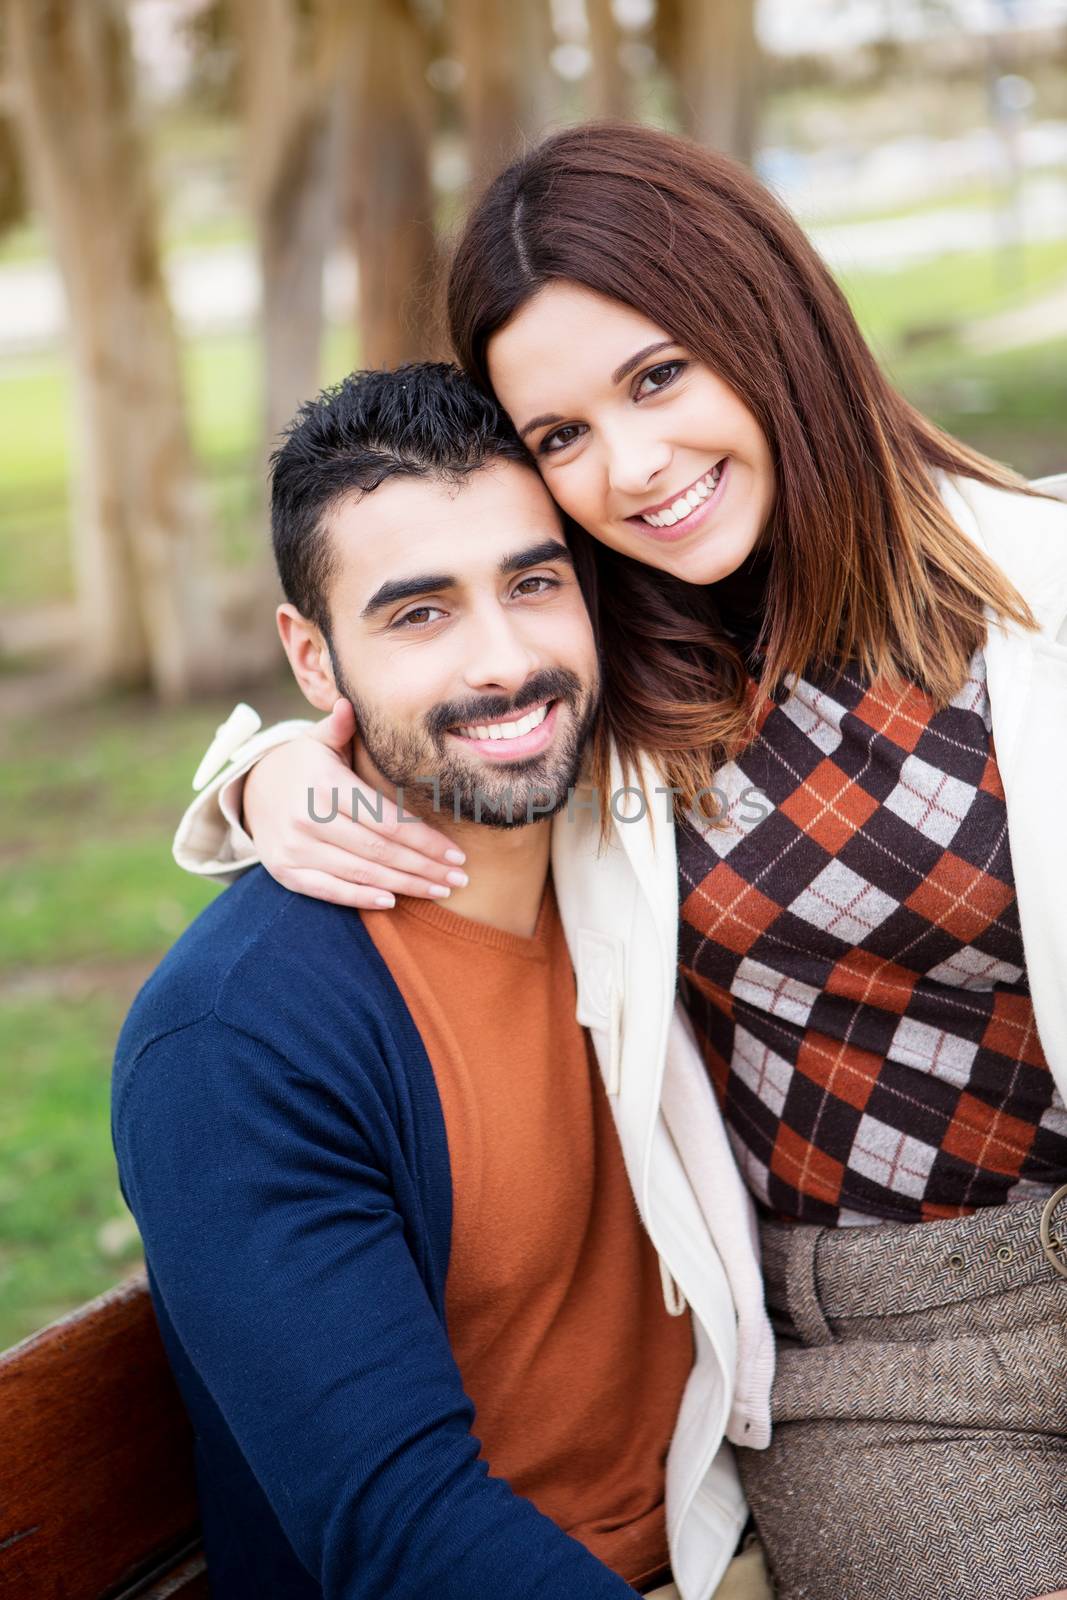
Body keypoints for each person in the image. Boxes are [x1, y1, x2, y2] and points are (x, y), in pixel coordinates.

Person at [174, 123, 1067, 1600]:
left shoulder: (1036, 589)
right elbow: (435, 685)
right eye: (560, 438)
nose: (634, 468)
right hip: (876, 1362)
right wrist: (260, 770)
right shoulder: (625, 676)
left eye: (657, 377)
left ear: (768, 327)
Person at [114, 362, 776, 1600]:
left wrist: (253, 769)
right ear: (312, 660)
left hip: (745, 1525)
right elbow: (404, 1533)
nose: (505, 662)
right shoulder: (238, 1040)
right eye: (418, 614)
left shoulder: (648, 845)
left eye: (533, 583)